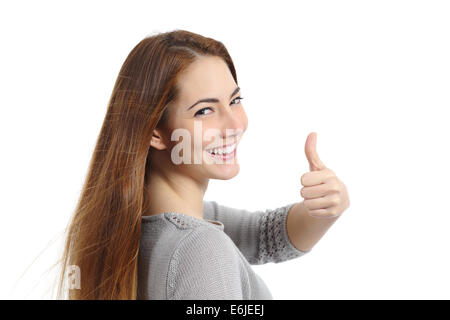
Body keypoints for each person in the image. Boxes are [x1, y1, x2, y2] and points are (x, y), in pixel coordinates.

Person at [56, 29, 350, 300]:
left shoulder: (130, 222)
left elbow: (263, 236)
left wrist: (322, 209)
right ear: (155, 132)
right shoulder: (201, 247)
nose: (235, 124)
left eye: (235, 100)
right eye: (205, 111)